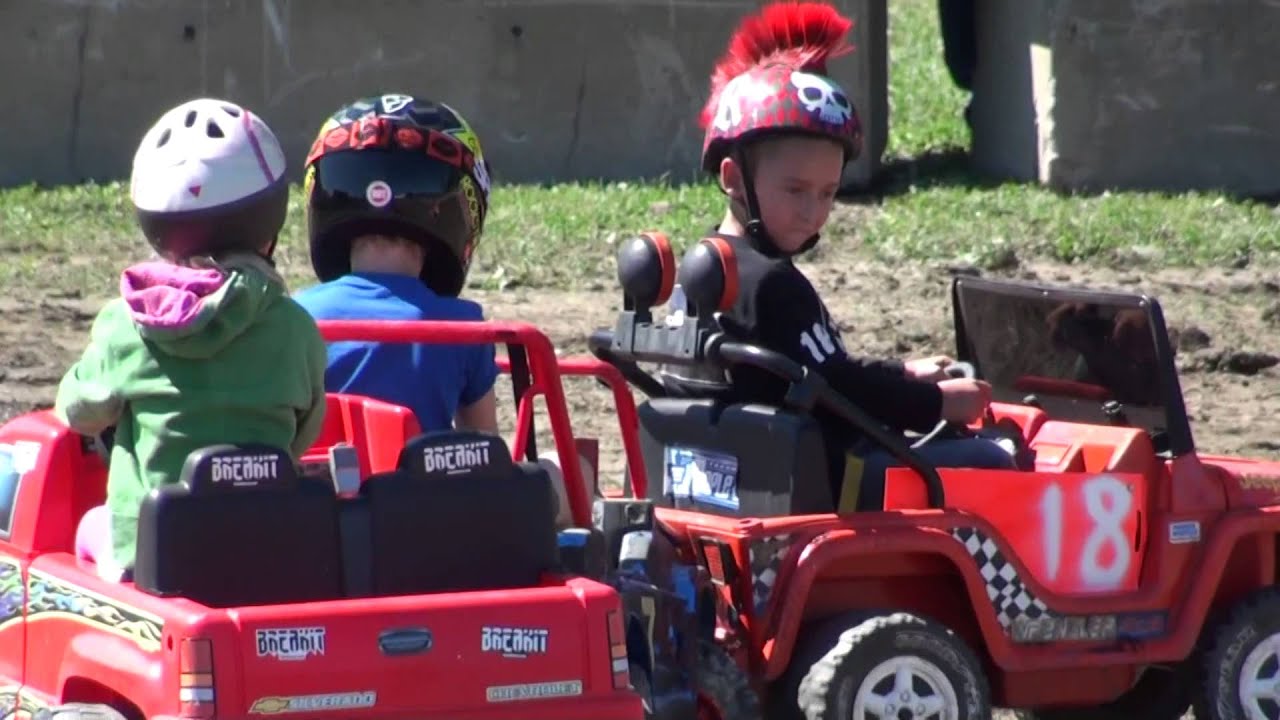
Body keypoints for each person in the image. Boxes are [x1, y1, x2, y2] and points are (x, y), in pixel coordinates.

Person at [669, 1, 1017, 510]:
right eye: (795, 190)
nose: (813, 212)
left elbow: (817, 371)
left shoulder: (710, 272)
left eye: (828, 193)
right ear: (733, 179)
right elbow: (842, 393)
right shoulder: (770, 285)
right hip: (826, 492)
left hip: (736, 485)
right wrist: (937, 402)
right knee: (997, 460)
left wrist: (902, 374)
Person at [56, 98, 328, 581]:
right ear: (270, 219)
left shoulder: (126, 323)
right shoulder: (294, 326)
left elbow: (81, 413)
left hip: (150, 553)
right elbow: (305, 429)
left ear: (157, 227)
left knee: (84, 528)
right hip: (267, 543)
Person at [293, 94, 499, 435]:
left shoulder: (295, 317)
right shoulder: (464, 328)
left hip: (320, 486)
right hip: (426, 488)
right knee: (557, 464)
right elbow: (485, 450)